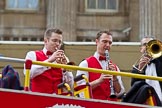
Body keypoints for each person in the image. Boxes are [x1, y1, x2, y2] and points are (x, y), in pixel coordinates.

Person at [76, 30, 125, 101]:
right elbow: (80, 89)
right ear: (96, 42)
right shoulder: (85, 63)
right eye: (104, 41)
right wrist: (99, 81)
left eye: (110, 43)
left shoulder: (115, 67)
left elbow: (120, 92)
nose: (108, 45)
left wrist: (115, 78)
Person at [23, 28, 73, 94]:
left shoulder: (64, 58)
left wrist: (65, 70)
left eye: (59, 42)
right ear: (46, 41)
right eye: (54, 41)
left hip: (58, 99)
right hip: (38, 97)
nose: (57, 44)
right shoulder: (32, 54)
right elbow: (28, 74)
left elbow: (70, 85)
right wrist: (49, 61)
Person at [131, 36, 162, 102]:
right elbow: (134, 88)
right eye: (145, 44)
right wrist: (140, 70)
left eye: (150, 44)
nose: (148, 47)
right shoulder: (136, 69)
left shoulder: (160, 62)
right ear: (141, 49)